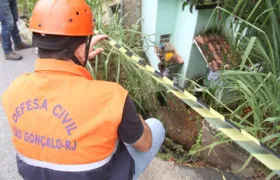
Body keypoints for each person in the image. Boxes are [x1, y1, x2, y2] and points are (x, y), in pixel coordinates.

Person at [1, 0, 165, 180]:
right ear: (81, 50)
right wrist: (133, 118)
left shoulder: (14, 89)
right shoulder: (111, 97)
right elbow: (144, 144)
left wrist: (81, 56)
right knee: (155, 127)